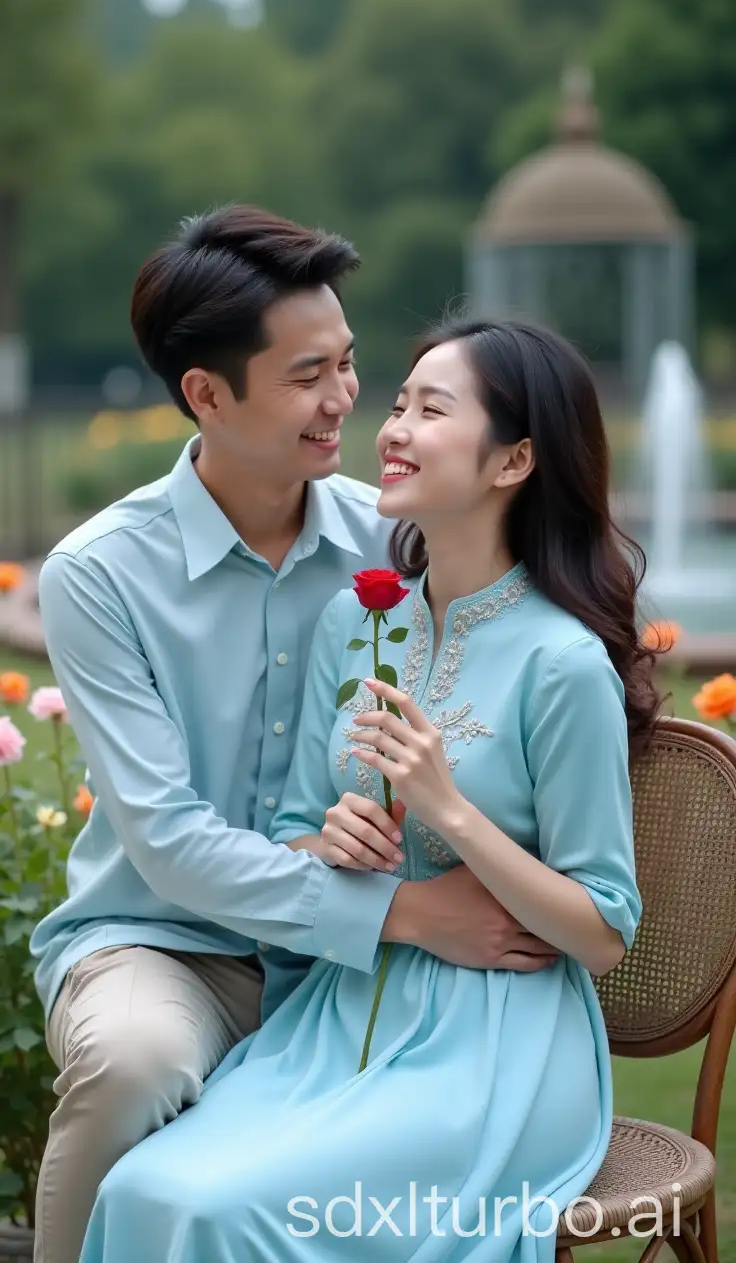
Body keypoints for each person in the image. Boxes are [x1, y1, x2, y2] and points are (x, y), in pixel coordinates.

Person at [30, 212, 558, 1263]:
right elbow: (169, 842)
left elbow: (531, 650)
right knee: (134, 1059)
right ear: (207, 395)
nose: (346, 400)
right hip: (165, 940)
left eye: (351, 363)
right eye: (308, 374)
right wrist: (403, 911)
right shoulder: (98, 575)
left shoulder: (397, 535)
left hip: (360, 974)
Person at [79, 318, 656, 1263]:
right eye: (399, 403)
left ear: (513, 461)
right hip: (335, 1014)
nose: (390, 428)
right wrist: (335, 840)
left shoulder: (562, 664)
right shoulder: (358, 620)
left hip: (495, 1046)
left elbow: (602, 930)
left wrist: (452, 813)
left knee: (227, 1212)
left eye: (431, 410)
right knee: (148, 1188)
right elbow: (299, 831)